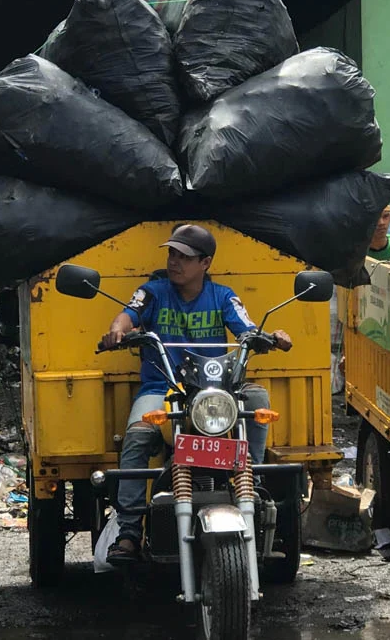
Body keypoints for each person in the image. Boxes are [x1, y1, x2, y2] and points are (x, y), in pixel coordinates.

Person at [102, 224, 292, 564]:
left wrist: (270, 337)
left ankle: (254, 484)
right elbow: (128, 315)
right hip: (163, 390)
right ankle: (129, 532)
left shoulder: (223, 296)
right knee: (137, 436)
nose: (175, 262)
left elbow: (247, 329)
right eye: (172, 254)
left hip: (214, 392)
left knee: (258, 400)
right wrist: (117, 332)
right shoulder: (153, 292)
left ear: (205, 263)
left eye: (185, 257)